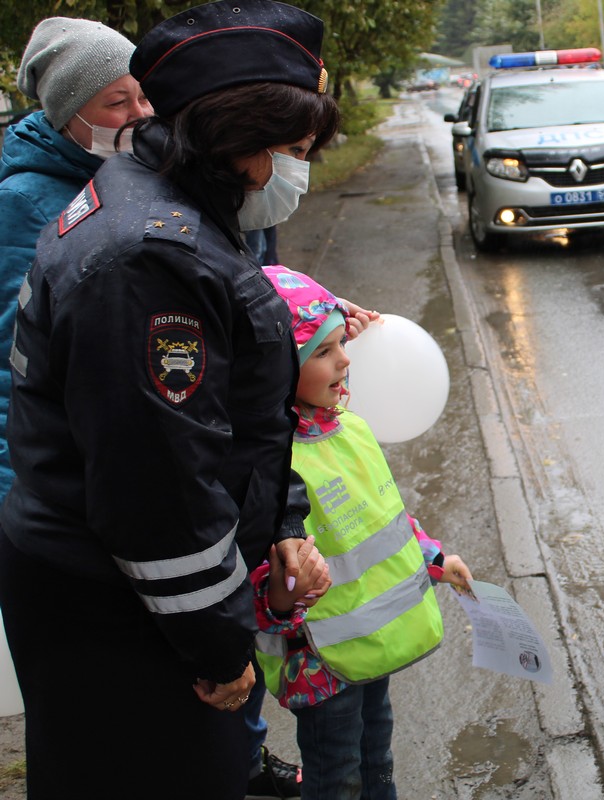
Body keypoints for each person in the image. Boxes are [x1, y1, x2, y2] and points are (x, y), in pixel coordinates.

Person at [0, 2, 342, 798]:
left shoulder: (167, 207)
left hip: (122, 591)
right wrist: (219, 651)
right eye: (291, 151)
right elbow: (156, 491)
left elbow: (230, 418)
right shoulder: (151, 259)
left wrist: (282, 520)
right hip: (117, 610)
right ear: (235, 141)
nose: (298, 171)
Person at [255, 266, 474, 800]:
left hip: (372, 646)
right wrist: (285, 592)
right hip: (319, 662)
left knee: (377, 759)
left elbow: (387, 516)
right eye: (324, 352)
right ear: (280, 368)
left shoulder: (349, 427)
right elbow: (264, 581)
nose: (346, 360)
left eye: (341, 345)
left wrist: (434, 557)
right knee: (337, 776)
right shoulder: (271, 461)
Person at [0, 18, 151, 503]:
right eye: (116, 102)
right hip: (61, 468)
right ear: (68, 114)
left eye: (144, 97)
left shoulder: (127, 176)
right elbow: (12, 357)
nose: (140, 115)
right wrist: (17, 489)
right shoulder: (23, 203)